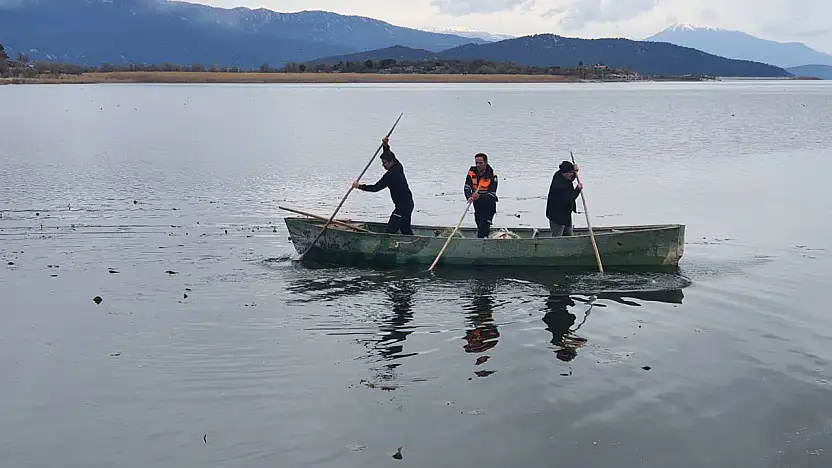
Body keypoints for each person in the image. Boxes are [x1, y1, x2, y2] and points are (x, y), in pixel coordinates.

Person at [352, 136, 414, 235]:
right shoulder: (398, 166)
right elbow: (389, 154)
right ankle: (413, 248)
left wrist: (359, 186)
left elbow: (375, 188)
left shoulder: (390, 175)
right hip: (408, 204)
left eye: (384, 163)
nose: (383, 165)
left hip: (403, 207)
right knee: (405, 230)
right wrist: (385, 145)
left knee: (390, 231)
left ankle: (387, 248)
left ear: (391, 162)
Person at [464, 153, 499, 238]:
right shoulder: (472, 172)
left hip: (489, 205)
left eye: (480, 163)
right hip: (477, 204)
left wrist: (479, 196)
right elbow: (467, 186)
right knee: (478, 221)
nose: (478, 165)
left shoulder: (492, 176)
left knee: (484, 225)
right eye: (476, 163)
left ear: (486, 162)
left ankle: (481, 242)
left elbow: (492, 194)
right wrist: (469, 196)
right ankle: (483, 239)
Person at [545, 161, 583, 236]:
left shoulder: (559, 174)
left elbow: (570, 178)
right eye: (571, 173)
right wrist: (578, 189)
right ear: (565, 173)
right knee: (557, 237)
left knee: (569, 235)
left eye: (572, 172)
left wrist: (575, 172)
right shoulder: (559, 186)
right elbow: (570, 198)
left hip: (565, 213)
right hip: (557, 216)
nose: (572, 175)